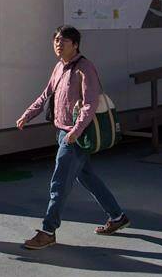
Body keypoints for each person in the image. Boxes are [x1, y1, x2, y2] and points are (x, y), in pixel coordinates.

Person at [16, 26, 128, 250]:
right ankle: (117, 217)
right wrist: (27, 115)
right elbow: (45, 94)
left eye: (64, 41)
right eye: (56, 40)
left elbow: (90, 104)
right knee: (87, 177)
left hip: (75, 136)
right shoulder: (59, 67)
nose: (58, 44)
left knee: (59, 182)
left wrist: (75, 131)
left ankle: (48, 231)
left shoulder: (85, 68)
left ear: (75, 44)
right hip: (62, 133)